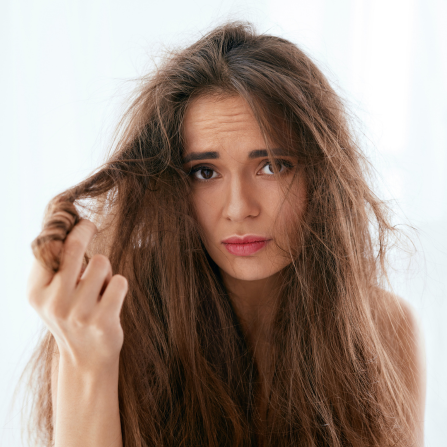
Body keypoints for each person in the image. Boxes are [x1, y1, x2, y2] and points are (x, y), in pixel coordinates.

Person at [20, 21, 426, 447]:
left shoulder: (384, 329)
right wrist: (87, 360)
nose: (238, 209)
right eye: (205, 172)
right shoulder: (108, 326)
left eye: (272, 165)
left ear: (322, 176)